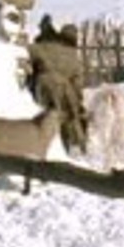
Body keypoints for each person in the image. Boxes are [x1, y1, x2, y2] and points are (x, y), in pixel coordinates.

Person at [26, 19, 89, 154]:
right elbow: (78, 82)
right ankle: (76, 145)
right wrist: (79, 100)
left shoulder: (41, 46)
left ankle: (55, 146)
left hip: (43, 85)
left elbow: (24, 52)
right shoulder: (73, 55)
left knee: (50, 115)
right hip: (66, 89)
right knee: (72, 116)